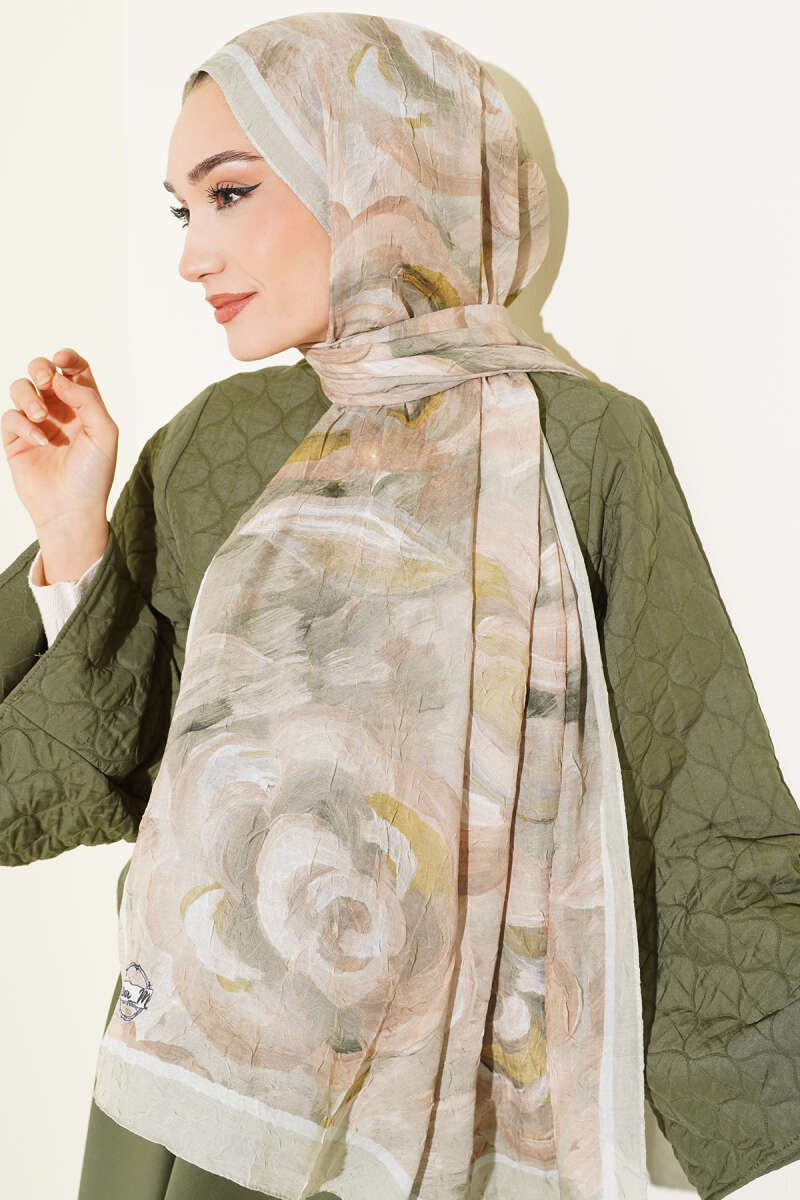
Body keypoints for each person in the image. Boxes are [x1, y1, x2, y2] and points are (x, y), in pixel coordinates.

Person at [2, 13, 799, 1200]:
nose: (192, 257)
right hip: (194, 1087)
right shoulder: (221, 443)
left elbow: (695, 780)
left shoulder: (576, 443)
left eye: (229, 194)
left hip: (448, 1100)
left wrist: (748, 1088)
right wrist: (73, 531)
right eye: (181, 212)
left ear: (376, 173)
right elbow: (83, 772)